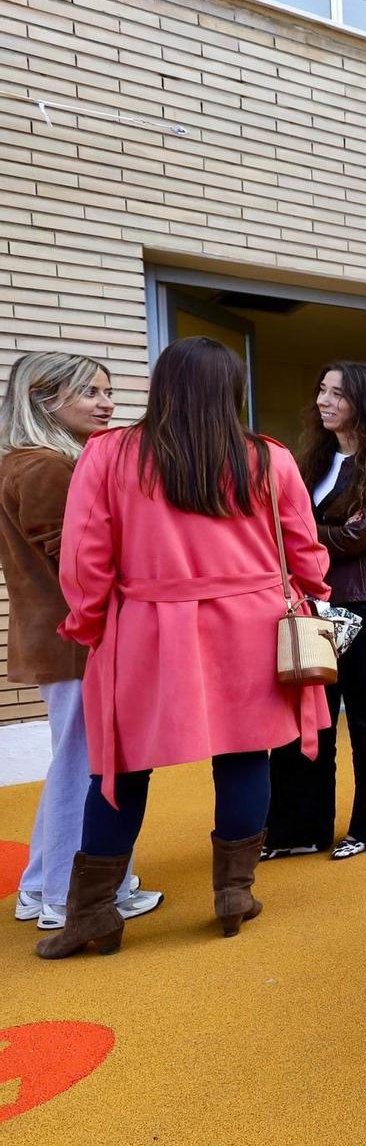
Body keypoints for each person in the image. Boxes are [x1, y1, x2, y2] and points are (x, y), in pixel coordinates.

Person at [38, 336, 333, 958]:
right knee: (247, 756)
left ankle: (91, 914)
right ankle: (233, 895)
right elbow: (303, 548)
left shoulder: (110, 454)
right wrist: (315, 589)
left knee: (120, 767)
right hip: (252, 626)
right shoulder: (268, 458)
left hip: (146, 627)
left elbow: (86, 559)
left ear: (161, 385)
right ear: (233, 391)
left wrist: (89, 624)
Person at [1, 353, 164, 931]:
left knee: (73, 762)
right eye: (90, 392)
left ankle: (43, 886)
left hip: (54, 638)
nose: (107, 403)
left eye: (107, 390)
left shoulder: (25, 463)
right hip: (75, 640)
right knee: (88, 766)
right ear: (46, 400)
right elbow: (74, 560)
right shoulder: (47, 468)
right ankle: (72, 895)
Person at [266, 361, 366, 862]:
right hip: (314, 603)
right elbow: (295, 523)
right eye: (322, 390)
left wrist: (301, 536)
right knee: (307, 721)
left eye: (338, 393)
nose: (324, 400)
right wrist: (314, 534)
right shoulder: (313, 459)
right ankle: (298, 830)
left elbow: (360, 536)